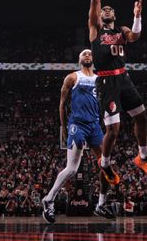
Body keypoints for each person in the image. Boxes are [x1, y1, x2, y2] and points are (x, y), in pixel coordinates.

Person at [88, 0, 147, 185]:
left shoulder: (122, 29)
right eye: (104, 10)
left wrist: (137, 15)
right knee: (113, 130)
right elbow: (95, 0)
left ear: (115, 16)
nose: (106, 10)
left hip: (124, 79)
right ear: (100, 16)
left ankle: (143, 157)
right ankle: (105, 163)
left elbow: (135, 36)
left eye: (111, 9)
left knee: (141, 117)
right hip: (106, 82)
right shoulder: (95, 29)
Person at [41, 49, 114, 223]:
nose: (87, 55)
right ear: (79, 59)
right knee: (72, 169)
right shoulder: (73, 77)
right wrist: (64, 127)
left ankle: (100, 205)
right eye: (84, 54)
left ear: (93, 59)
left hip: (95, 125)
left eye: (90, 53)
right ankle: (49, 199)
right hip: (77, 124)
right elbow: (62, 104)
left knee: (106, 166)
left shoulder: (99, 79)